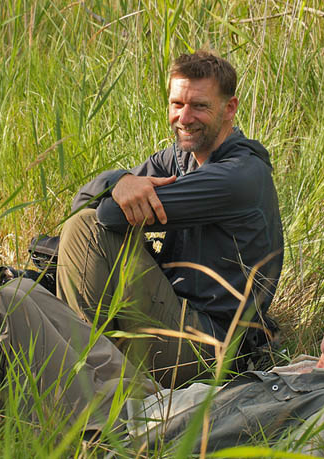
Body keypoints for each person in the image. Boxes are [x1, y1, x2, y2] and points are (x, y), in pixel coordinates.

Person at [0, 257, 324, 456]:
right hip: (149, 399)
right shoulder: (306, 365)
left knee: (4, 308)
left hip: (132, 438)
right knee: (24, 291)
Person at [55, 50, 284, 386]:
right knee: (82, 227)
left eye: (200, 106)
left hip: (208, 348)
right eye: (177, 104)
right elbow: (82, 201)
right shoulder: (176, 160)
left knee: (87, 232)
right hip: (172, 316)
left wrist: (118, 189)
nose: (184, 117)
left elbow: (106, 214)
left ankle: (81, 385)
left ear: (229, 108)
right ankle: (85, 370)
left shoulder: (240, 176)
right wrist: (118, 180)